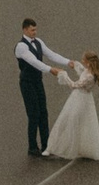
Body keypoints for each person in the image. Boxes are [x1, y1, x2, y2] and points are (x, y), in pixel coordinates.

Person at [44, 48, 99, 165]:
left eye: (83, 60)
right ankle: (52, 147)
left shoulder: (90, 77)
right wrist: (75, 65)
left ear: (88, 62)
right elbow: (82, 70)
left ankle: (63, 147)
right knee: (71, 121)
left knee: (71, 121)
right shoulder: (88, 71)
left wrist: (64, 75)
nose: (82, 61)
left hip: (81, 100)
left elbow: (74, 85)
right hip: (79, 98)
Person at [15, 19, 65, 159]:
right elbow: (33, 62)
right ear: (24, 30)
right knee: (34, 114)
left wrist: (68, 62)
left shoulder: (38, 42)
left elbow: (51, 54)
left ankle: (46, 145)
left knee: (43, 112)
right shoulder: (21, 46)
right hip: (27, 83)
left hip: (38, 81)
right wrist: (50, 70)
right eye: (32, 30)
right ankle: (32, 147)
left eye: (35, 30)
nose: (34, 32)